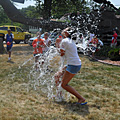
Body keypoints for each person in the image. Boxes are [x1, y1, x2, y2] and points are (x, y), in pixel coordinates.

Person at [54, 27, 87, 104]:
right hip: (73, 64)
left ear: (67, 33)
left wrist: (57, 46)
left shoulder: (65, 41)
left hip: (73, 65)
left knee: (64, 84)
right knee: (57, 76)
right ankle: (59, 95)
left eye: (65, 30)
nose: (63, 31)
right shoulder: (70, 41)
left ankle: (81, 98)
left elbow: (61, 54)